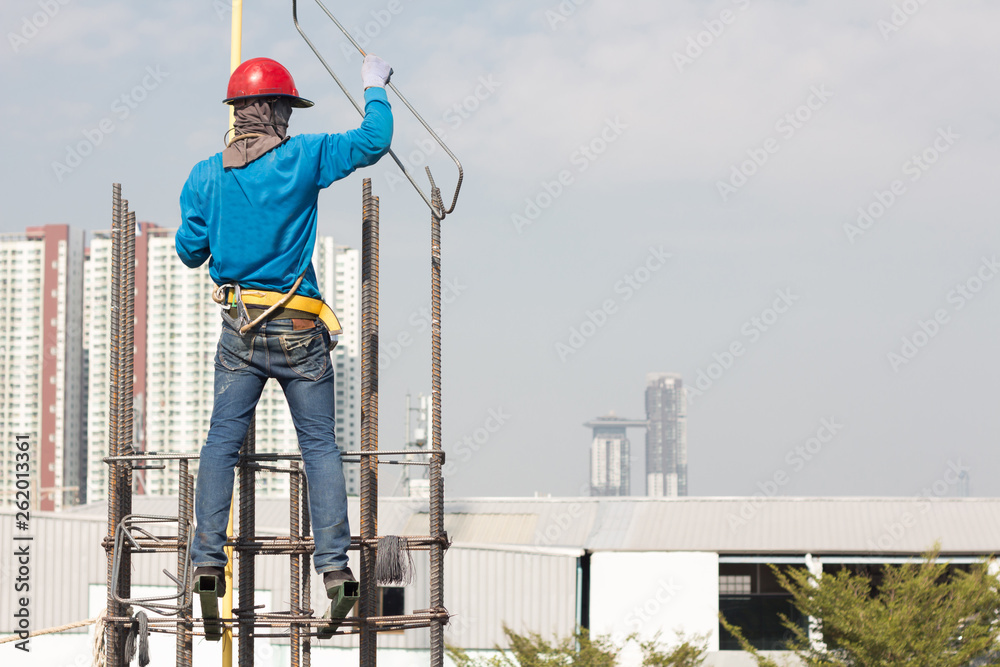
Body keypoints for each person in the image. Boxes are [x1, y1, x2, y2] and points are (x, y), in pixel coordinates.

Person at [176, 54, 393, 601]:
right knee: (319, 446)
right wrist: (374, 86)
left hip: (240, 330)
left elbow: (188, 251)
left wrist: (222, 222)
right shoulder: (305, 156)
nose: (291, 120)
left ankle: (205, 561)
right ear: (272, 109)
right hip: (299, 328)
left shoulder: (205, 175)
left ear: (238, 112)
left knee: (221, 443)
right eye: (287, 109)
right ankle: (335, 569)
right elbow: (373, 139)